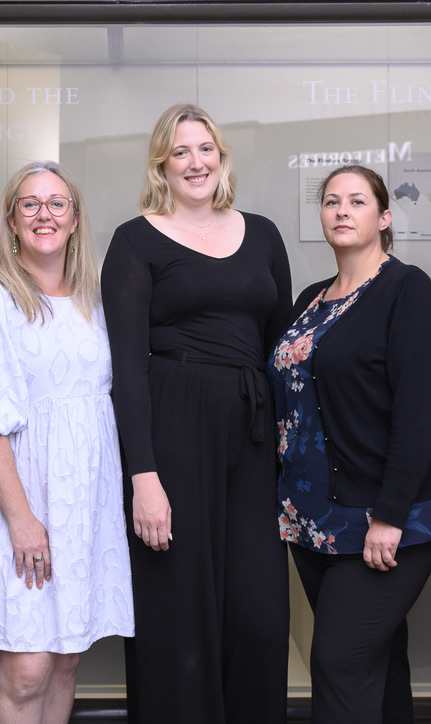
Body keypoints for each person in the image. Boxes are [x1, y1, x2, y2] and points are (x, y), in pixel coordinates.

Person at [101, 103, 292, 724]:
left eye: (205, 149)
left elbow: (283, 348)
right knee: (178, 615)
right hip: (173, 429)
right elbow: (126, 368)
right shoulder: (135, 240)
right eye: (180, 152)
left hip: (253, 431)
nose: (195, 162)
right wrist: (143, 476)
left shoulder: (262, 234)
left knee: (259, 615)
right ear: (162, 164)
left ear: (222, 157)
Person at [0, 161, 133, 723]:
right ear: (11, 219)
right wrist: (22, 519)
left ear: (74, 219)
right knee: (26, 671)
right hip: (15, 501)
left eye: (56, 203)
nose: (44, 214)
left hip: (81, 505)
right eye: (30, 204)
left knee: (66, 662)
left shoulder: (96, 300)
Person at [268, 165, 431, 724]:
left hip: (388, 514)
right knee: (376, 662)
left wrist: (390, 515)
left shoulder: (408, 289)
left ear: (384, 217)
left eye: (357, 201)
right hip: (313, 518)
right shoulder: (308, 299)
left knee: (338, 661)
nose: (342, 211)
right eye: (331, 202)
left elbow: (419, 416)